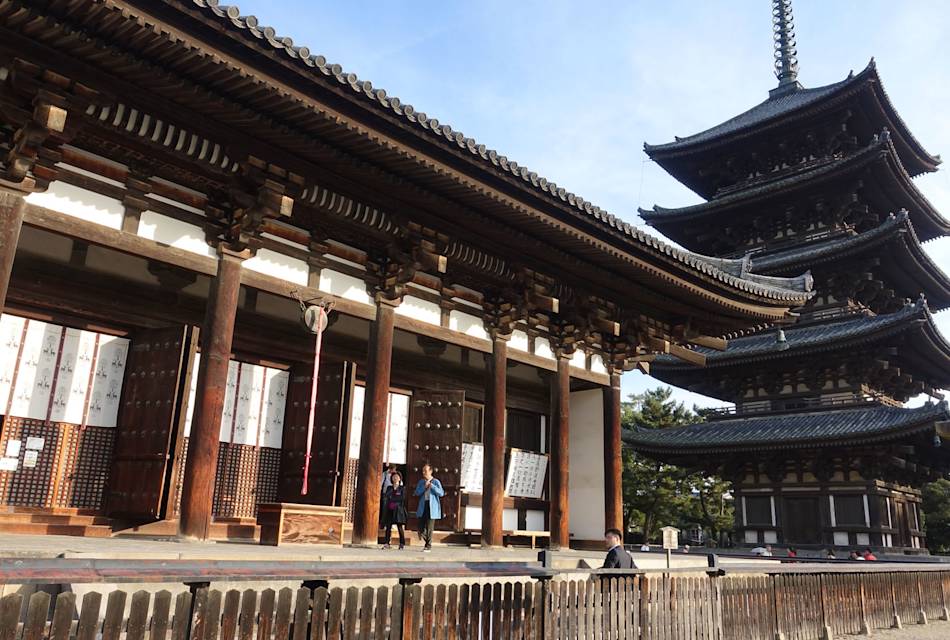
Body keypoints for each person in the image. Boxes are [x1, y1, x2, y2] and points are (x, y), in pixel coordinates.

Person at [414, 464, 444, 552]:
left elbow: (441, 493)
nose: (424, 473)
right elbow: (417, 492)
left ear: (430, 471)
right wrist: (425, 487)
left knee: (430, 527)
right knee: (420, 527)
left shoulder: (436, 481)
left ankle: (428, 545)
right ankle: (427, 541)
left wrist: (432, 486)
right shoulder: (421, 482)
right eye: (423, 471)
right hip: (424, 505)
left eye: (425, 471)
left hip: (432, 506)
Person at [381, 471, 408, 549]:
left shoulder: (402, 488)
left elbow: (402, 498)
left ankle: (402, 543)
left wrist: (394, 499)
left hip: (398, 510)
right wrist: (393, 497)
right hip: (390, 509)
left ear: (400, 478)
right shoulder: (389, 487)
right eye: (393, 477)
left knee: (399, 527)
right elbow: (387, 496)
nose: (395, 478)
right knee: (388, 527)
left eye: (397, 477)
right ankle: (387, 543)